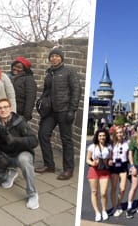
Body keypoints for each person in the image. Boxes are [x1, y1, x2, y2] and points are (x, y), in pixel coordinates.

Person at [0, 98, 40, 210]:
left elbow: (34, 141)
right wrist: (0, 157)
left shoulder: (20, 121)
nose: (3, 110)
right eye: (0, 108)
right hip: (5, 155)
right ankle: (7, 175)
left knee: (24, 160)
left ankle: (32, 194)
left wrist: (16, 140)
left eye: (5, 107)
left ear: (10, 108)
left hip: (21, 154)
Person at [35, 48, 79, 180]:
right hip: (50, 111)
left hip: (64, 110)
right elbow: (46, 91)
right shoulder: (49, 73)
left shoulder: (69, 71)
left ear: (61, 58)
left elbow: (76, 90)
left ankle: (68, 169)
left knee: (66, 139)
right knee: (43, 134)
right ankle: (49, 165)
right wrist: (41, 101)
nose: (54, 58)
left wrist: (72, 110)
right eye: (52, 56)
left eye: (56, 56)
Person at [87, 128, 112, 222]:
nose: (102, 137)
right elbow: (88, 159)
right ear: (97, 137)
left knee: (103, 193)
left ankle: (104, 210)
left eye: (103, 135)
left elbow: (110, 158)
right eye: (100, 135)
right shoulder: (92, 147)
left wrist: (110, 162)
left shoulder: (109, 147)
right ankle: (97, 212)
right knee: (94, 192)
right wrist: (92, 163)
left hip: (104, 171)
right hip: (94, 170)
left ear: (106, 137)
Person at [109, 126, 130, 217]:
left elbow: (130, 155)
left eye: (120, 132)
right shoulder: (111, 143)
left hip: (123, 166)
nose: (119, 134)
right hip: (114, 166)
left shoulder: (127, 143)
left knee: (123, 188)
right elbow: (109, 154)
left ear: (123, 133)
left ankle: (119, 204)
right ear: (115, 134)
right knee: (114, 188)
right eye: (117, 133)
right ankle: (114, 207)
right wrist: (109, 160)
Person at [10, 56, 37, 121]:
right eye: (15, 66)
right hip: (11, 111)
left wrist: (26, 117)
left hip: (20, 114)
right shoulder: (13, 77)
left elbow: (30, 99)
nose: (16, 68)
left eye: (19, 67)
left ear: (24, 69)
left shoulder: (29, 79)